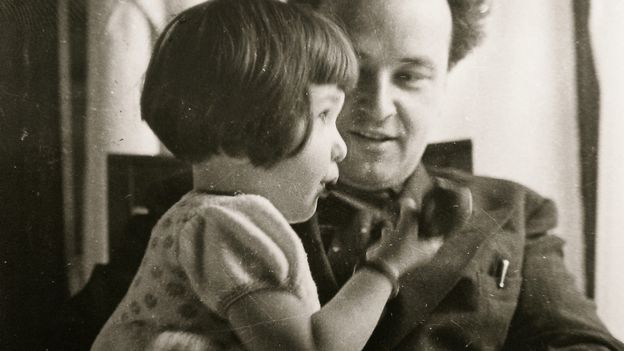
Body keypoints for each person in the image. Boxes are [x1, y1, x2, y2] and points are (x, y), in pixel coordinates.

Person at [91, 0, 442, 350]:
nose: (341, 146)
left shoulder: (202, 216)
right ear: (241, 130)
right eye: (324, 115)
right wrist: (386, 265)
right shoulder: (229, 227)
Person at [288, 0, 624, 350]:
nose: (379, 106)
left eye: (409, 76)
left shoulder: (514, 210)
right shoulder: (244, 207)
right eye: (352, 71)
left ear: (443, 83)